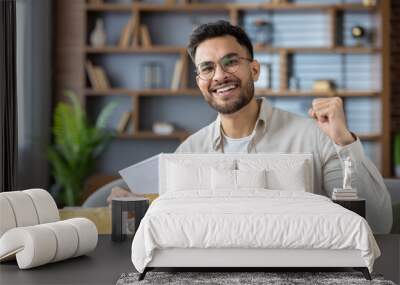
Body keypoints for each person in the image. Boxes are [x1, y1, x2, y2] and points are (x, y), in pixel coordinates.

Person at [109, 20, 392, 234]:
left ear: (254, 70)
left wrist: (343, 141)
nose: (220, 76)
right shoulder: (189, 151)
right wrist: (135, 209)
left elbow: (377, 223)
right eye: (207, 68)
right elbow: (178, 228)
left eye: (231, 62)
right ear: (200, 82)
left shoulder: (316, 137)